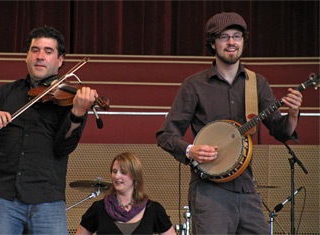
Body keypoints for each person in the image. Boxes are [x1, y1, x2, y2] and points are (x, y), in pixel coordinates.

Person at [156, 12, 303, 234]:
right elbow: (166, 134)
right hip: (209, 192)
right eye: (224, 37)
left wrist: (293, 114)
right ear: (213, 44)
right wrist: (190, 150)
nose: (232, 42)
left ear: (243, 41)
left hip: (246, 189)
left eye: (237, 36)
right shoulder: (194, 86)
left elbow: (280, 131)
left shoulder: (257, 83)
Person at [0, 26, 98, 234]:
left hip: (48, 199)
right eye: (35, 50)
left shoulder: (68, 101)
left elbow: (63, 147)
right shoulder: (4, 93)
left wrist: (78, 112)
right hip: (5, 197)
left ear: (60, 60)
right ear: (27, 57)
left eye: (48, 52)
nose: (40, 57)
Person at [75, 152, 176, 235]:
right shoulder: (98, 208)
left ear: (135, 176)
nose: (116, 176)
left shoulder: (153, 209)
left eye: (123, 172)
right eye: (114, 171)